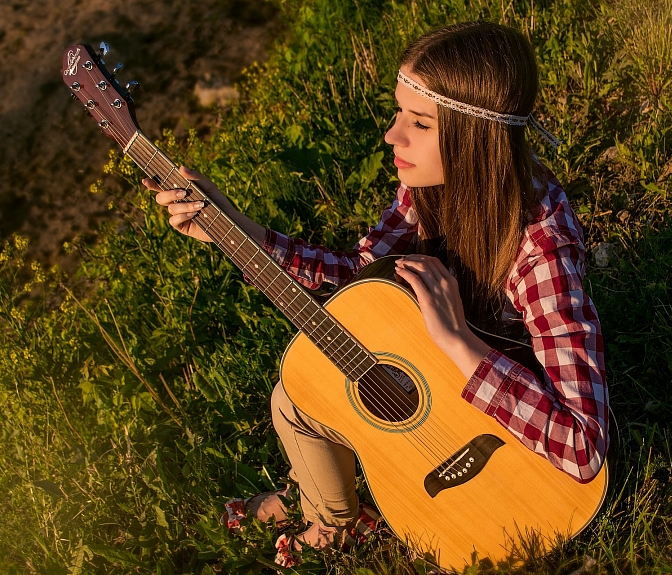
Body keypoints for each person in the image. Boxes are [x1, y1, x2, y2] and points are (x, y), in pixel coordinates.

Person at [144, 21, 609, 564]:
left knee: (288, 403)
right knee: (304, 384)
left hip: (500, 440)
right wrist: (241, 232)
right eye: (397, 112)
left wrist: (458, 340)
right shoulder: (428, 187)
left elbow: (583, 447)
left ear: (472, 138)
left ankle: (331, 521)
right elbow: (357, 276)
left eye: (419, 123)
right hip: (439, 382)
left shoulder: (540, 251)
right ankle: (327, 506)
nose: (392, 135)